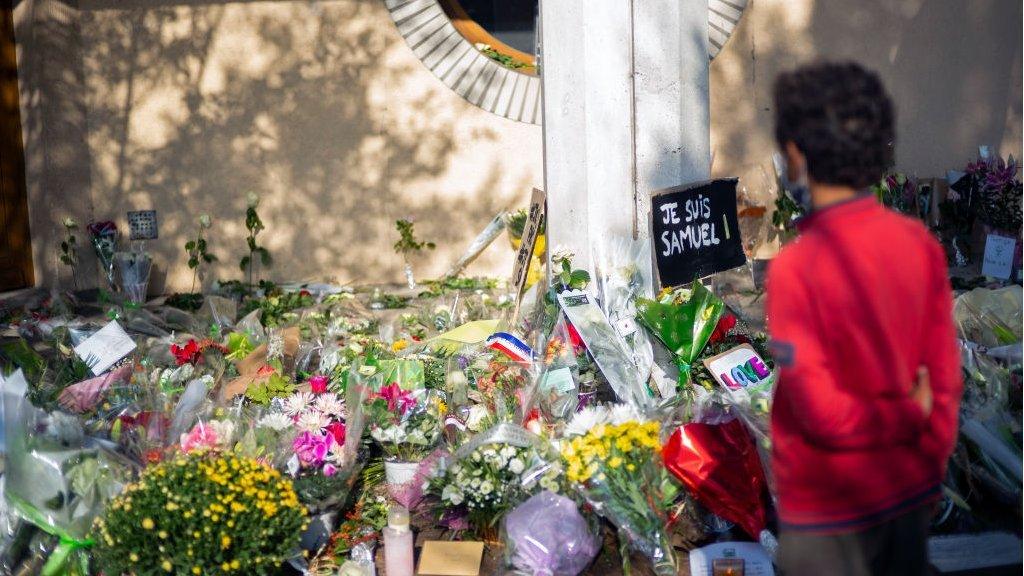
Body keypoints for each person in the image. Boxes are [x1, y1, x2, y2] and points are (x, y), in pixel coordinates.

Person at [766, 61, 962, 576]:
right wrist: (925, 472)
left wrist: (903, 415)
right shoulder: (919, 246)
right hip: (906, 499)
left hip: (827, 519)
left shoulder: (797, 267)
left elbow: (820, 412)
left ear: (797, 152)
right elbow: (944, 381)